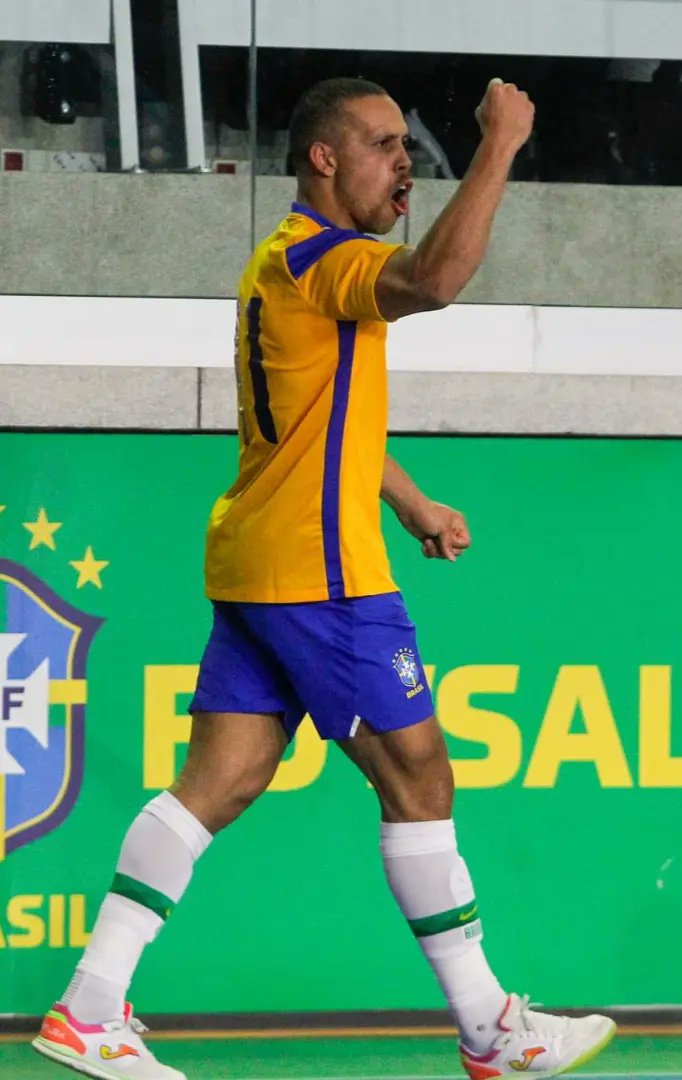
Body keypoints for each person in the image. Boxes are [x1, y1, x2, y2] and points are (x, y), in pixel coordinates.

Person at [31, 76, 617, 1080]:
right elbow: (434, 279)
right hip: (322, 576)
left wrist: (408, 498)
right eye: (384, 145)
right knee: (420, 775)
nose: (403, 162)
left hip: (264, 558)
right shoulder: (328, 261)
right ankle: (490, 1027)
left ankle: (90, 1010)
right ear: (324, 160)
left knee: (219, 782)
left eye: (406, 147)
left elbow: (321, 420)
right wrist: (501, 146)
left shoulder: (282, 263)